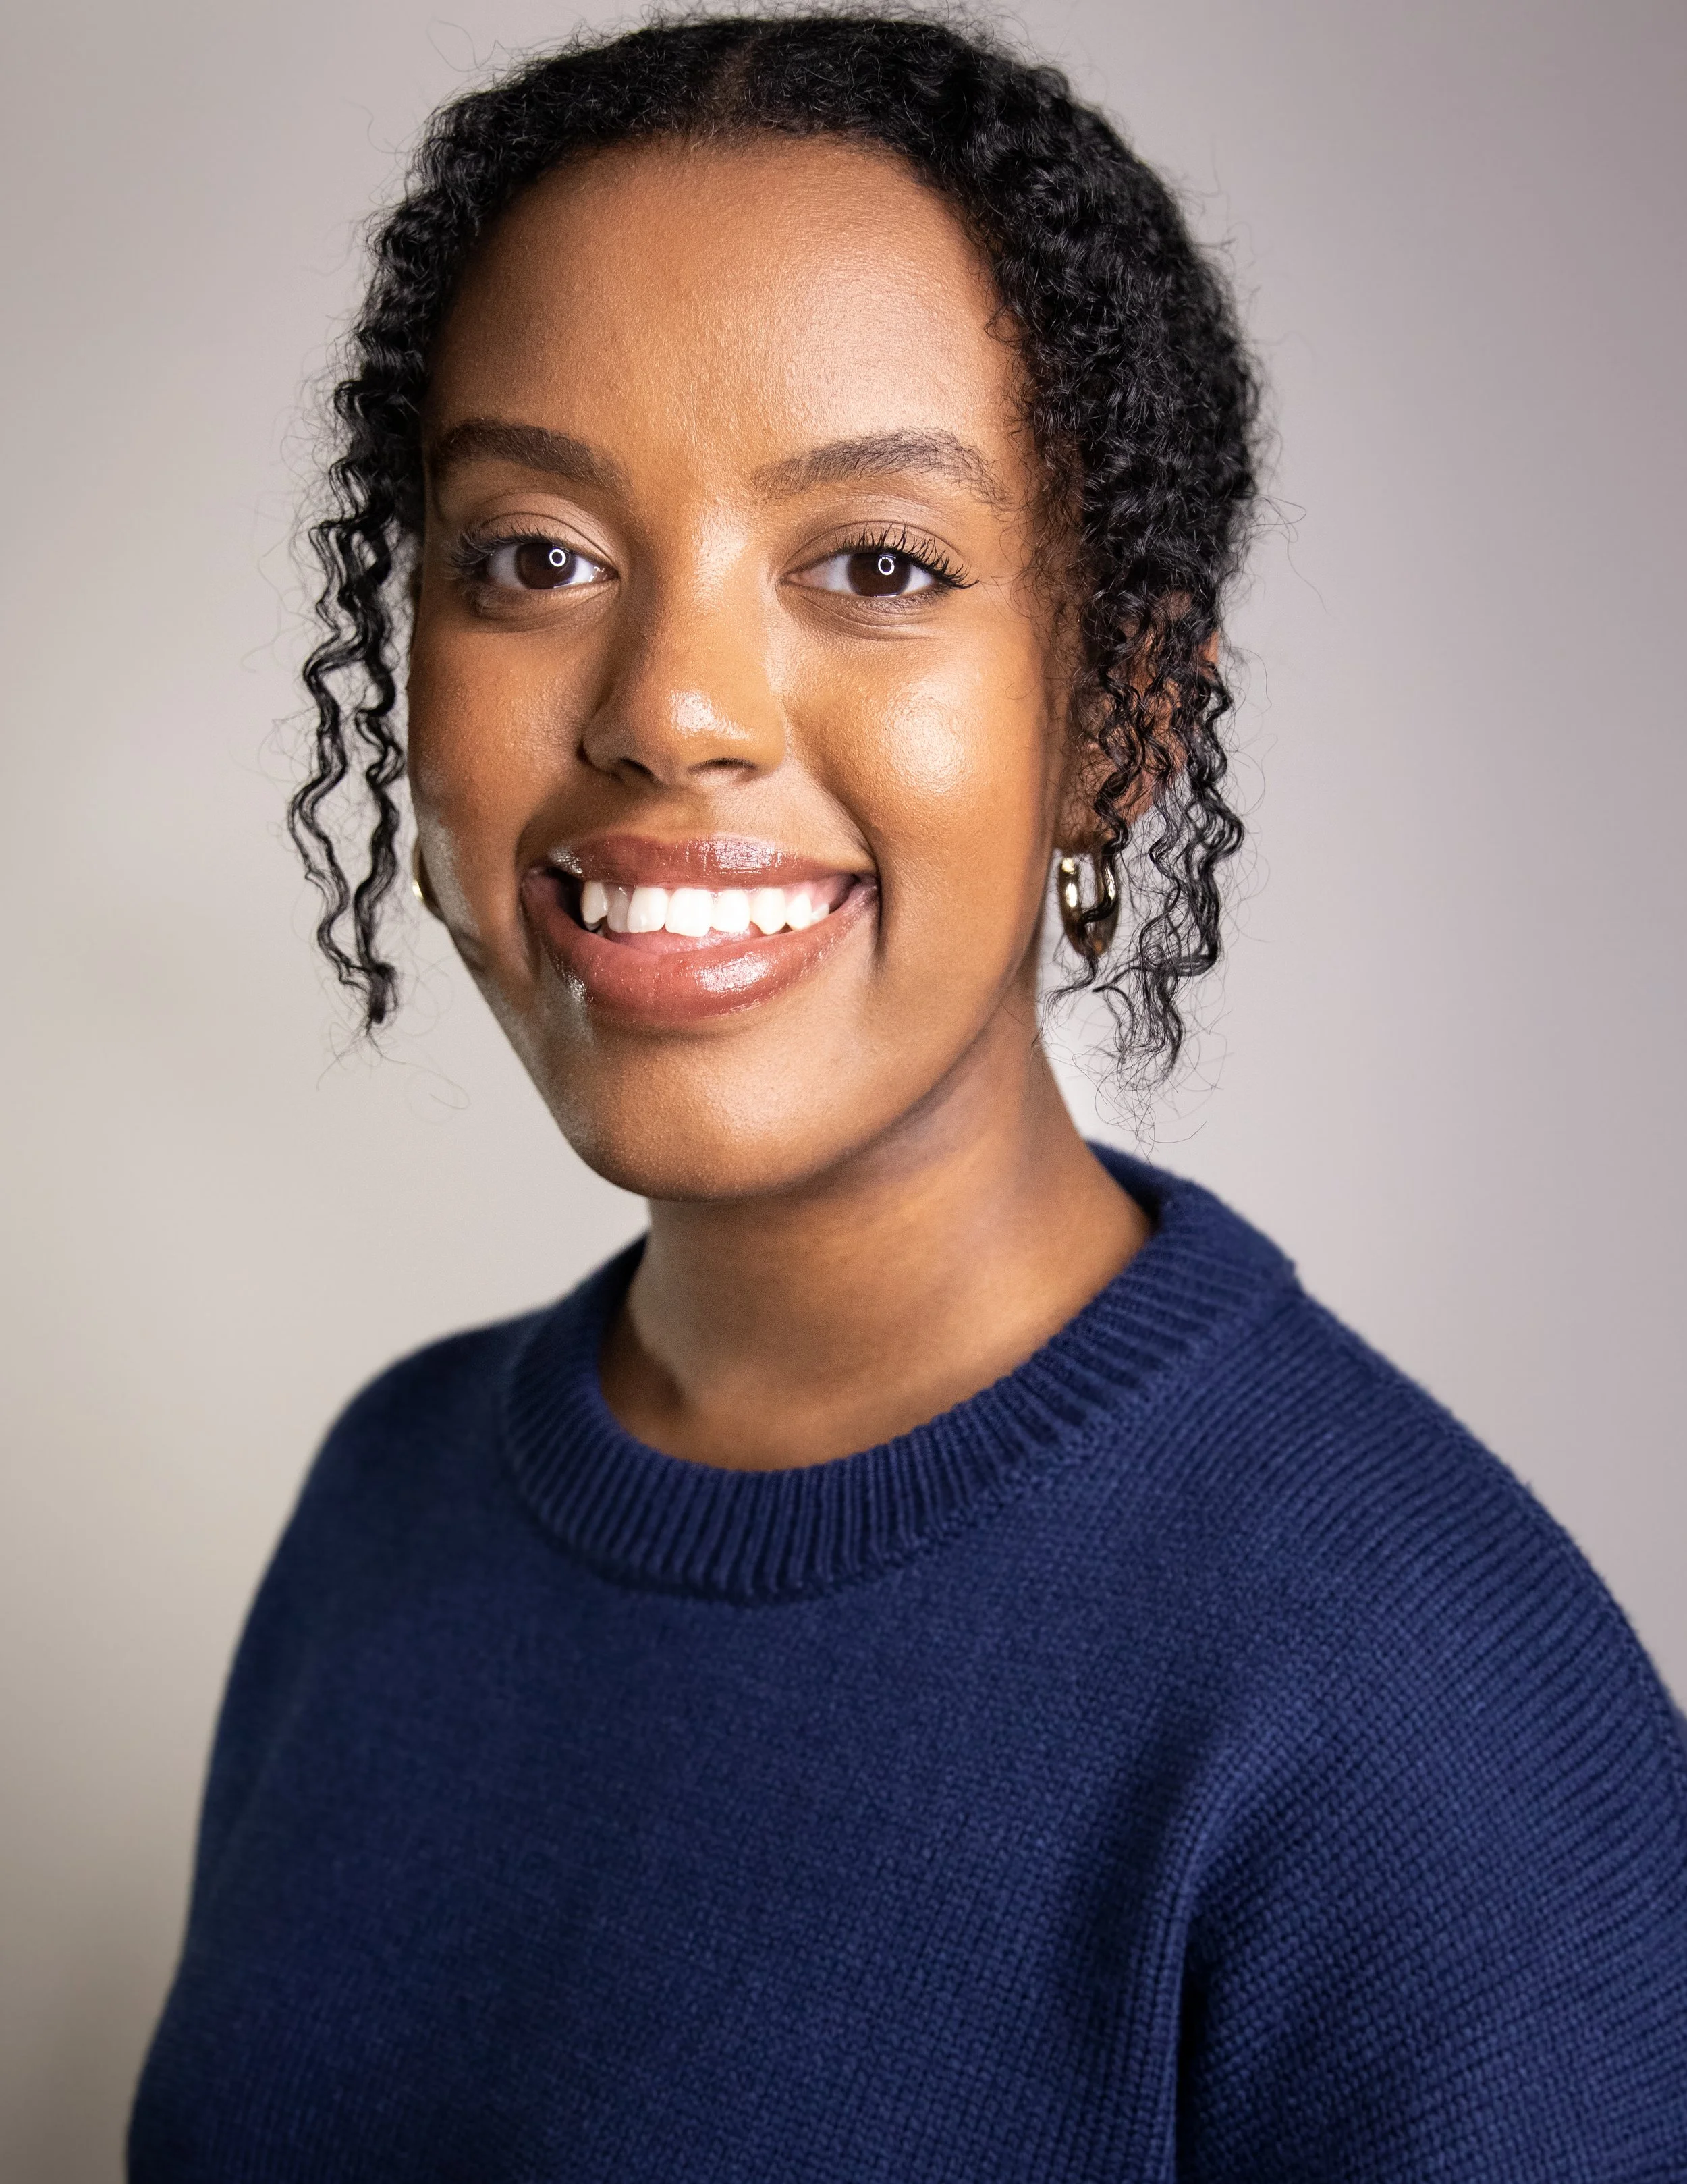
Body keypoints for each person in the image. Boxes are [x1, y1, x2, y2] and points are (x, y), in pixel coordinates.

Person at [128, 16, 1687, 2179]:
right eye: (536, 555)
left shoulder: (1419, 1722)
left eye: (874, 562)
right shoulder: (387, 1500)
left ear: (1119, 718)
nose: (671, 709)